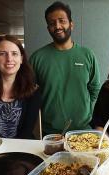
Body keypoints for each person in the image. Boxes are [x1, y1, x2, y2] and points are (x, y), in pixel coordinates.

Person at [30, 1, 100, 136]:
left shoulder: (87, 55)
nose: (57, 26)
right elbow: (30, 95)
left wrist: (83, 110)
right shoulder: (37, 58)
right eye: (52, 23)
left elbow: (94, 89)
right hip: (49, 133)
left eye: (62, 21)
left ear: (71, 24)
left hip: (83, 130)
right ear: (48, 28)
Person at [0, 35, 41, 139]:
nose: (9, 59)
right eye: (2, 54)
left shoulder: (32, 91)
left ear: (21, 59)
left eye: (14, 54)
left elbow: (26, 132)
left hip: (19, 150)